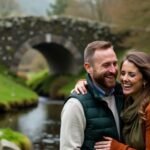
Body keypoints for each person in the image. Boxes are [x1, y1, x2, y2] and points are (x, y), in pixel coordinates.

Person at [74, 51, 150, 150]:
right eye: (123, 73)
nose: (124, 79)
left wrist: (118, 148)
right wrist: (84, 83)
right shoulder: (125, 98)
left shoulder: (148, 109)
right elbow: (100, 85)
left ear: (145, 79)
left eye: (131, 75)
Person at [60, 40, 125, 150]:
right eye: (106, 65)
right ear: (88, 67)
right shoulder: (75, 105)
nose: (113, 70)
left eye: (115, 63)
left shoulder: (124, 95)